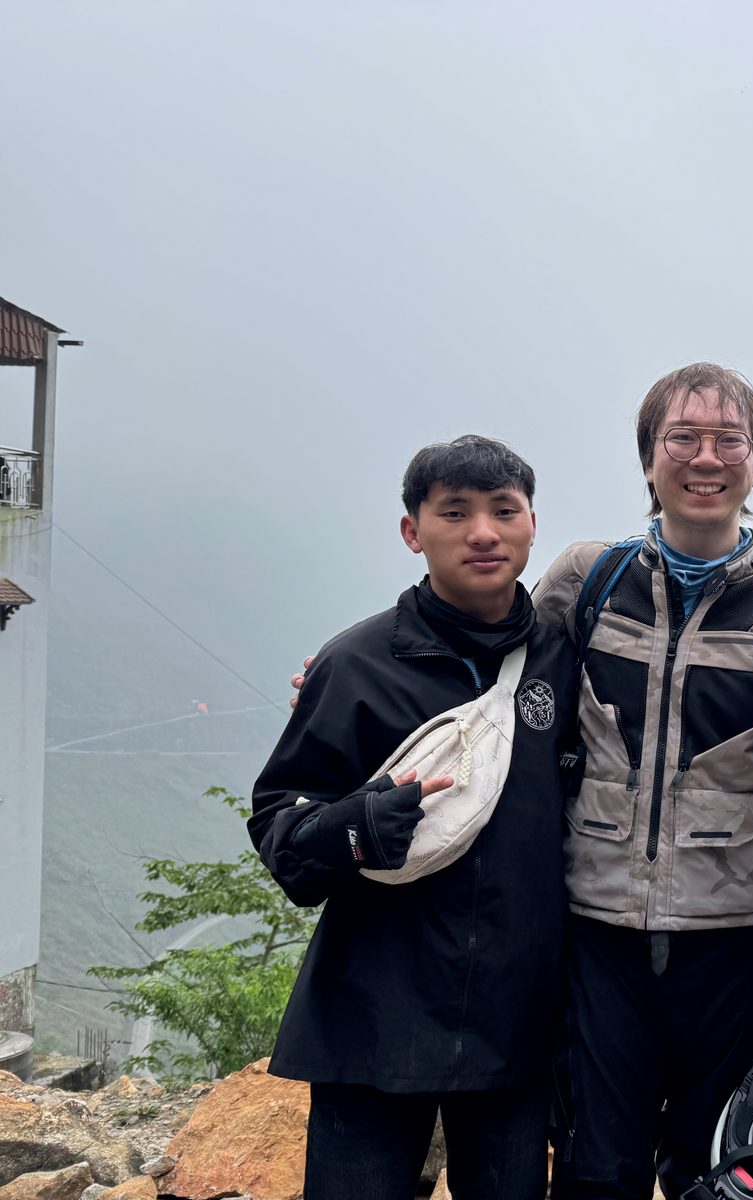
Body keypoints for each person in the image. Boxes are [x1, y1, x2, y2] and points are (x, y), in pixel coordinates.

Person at [530, 363, 753, 1200]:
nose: (705, 457)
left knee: (718, 1177)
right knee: (591, 1175)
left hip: (739, 951)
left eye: (729, 440)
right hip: (597, 939)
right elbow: (496, 701)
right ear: (649, 459)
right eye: (683, 437)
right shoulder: (584, 585)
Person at [252, 435, 577, 1200]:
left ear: (533, 523)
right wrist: (361, 824)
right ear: (412, 532)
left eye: (504, 510)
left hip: (514, 1027)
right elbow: (280, 830)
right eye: (455, 513)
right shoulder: (358, 665)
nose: (484, 533)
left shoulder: (564, 660)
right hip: (373, 1019)